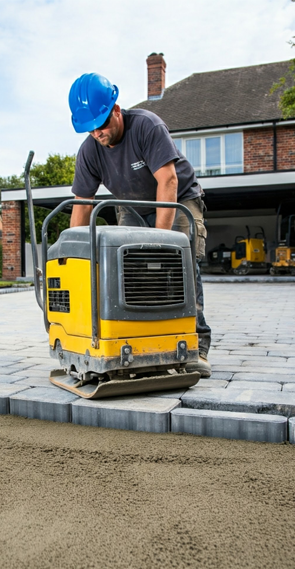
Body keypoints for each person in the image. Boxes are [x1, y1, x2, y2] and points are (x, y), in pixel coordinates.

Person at [68, 72, 212, 377]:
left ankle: (196, 347)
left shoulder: (146, 126)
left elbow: (168, 180)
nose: (98, 132)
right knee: (132, 269)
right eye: (90, 129)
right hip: (132, 205)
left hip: (178, 198)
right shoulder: (90, 151)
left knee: (181, 265)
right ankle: (141, 343)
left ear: (116, 110)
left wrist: (162, 243)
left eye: (102, 124)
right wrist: (72, 251)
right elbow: (82, 204)